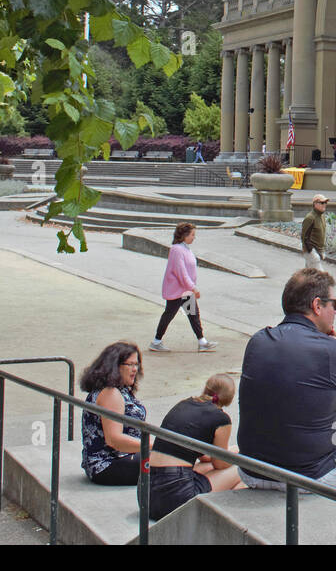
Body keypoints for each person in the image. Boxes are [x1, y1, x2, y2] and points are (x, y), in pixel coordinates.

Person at [238, 269, 336, 504]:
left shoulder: (258, 341)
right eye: (335, 304)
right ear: (317, 305)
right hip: (309, 472)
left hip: (252, 468)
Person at [148, 374, 243, 520]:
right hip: (175, 497)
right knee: (240, 470)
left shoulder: (183, 404)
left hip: (147, 493)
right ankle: (234, 516)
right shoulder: (221, 418)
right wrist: (237, 455)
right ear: (229, 398)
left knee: (205, 467)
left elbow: (204, 457)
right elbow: (220, 463)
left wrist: (230, 452)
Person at [79, 342, 148, 485]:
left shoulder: (120, 389)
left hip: (122, 458)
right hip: (107, 465)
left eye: (137, 364)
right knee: (173, 461)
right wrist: (155, 445)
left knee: (176, 460)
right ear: (115, 366)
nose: (135, 369)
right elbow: (114, 440)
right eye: (130, 365)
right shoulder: (111, 393)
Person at [150, 222, 218, 353]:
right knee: (169, 315)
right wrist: (193, 287)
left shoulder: (184, 248)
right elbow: (181, 272)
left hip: (184, 290)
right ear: (185, 235)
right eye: (192, 234)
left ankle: (202, 341)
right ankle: (156, 341)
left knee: (193, 315)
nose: (194, 237)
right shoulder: (177, 249)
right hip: (178, 290)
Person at [301, 194, 328, 271]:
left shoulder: (321, 216)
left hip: (317, 251)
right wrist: (312, 252)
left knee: (308, 274)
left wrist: (321, 251)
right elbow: (304, 237)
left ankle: (301, 282)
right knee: (320, 275)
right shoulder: (310, 218)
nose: (324, 205)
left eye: (325, 203)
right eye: (322, 203)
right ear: (315, 204)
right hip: (312, 252)